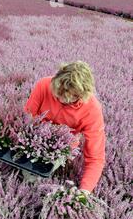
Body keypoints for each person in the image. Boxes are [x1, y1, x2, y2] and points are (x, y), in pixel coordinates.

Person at [24, 61, 106, 193]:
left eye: (69, 97)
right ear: (56, 80)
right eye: (58, 93)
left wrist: (85, 190)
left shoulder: (92, 110)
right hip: (34, 138)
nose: (61, 99)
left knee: (37, 179)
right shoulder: (44, 84)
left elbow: (95, 157)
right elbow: (26, 119)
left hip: (62, 148)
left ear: (82, 95)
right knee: (26, 172)